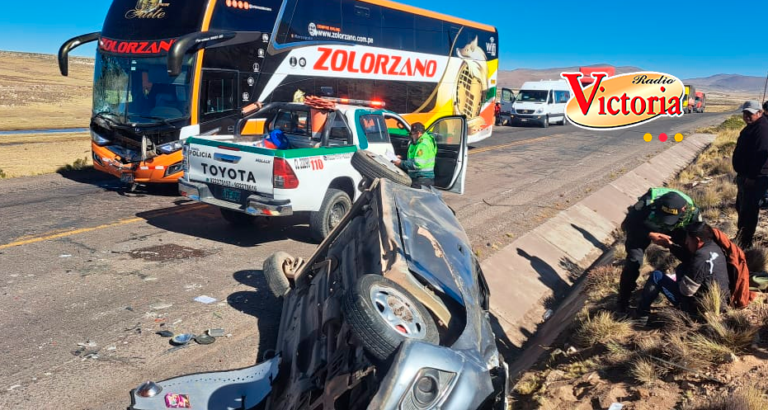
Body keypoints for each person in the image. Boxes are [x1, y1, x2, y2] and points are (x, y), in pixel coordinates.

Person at [617, 188, 702, 314]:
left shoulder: (692, 212)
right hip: (645, 227)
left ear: (684, 210)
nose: (664, 220)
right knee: (633, 262)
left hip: (676, 229)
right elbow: (627, 224)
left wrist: (671, 246)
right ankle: (623, 300)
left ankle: (688, 294)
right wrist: (650, 234)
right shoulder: (648, 202)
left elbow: (699, 238)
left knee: (691, 257)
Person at [637, 222, 730, 319]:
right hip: (720, 302)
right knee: (682, 267)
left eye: (688, 240)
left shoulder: (701, 256)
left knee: (656, 276)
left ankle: (641, 315)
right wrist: (670, 246)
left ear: (697, 240)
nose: (686, 243)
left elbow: (687, 291)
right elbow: (689, 258)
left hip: (699, 310)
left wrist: (681, 281)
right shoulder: (714, 248)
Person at [732, 100, 768, 249]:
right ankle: (741, 236)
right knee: (741, 207)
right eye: (745, 113)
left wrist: (752, 177)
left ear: (759, 112)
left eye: (750, 113)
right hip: (745, 175)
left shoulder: (762, 128)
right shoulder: (753, 126)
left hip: (754, 178)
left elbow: (760, 156)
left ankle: (745, 241)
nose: (746, 116)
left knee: (748, 210)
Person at [393, 122, 436, 188]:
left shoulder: (423, 144)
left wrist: (401, 163)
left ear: (418, 133)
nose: (411, 136)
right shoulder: (418, 142)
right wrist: (402, 157)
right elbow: (414, 156)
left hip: (423, 179)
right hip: (419, 177)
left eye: (412, 134)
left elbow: (418, 164)